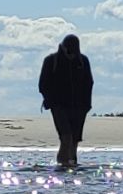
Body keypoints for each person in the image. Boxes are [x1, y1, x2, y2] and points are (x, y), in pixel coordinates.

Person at [38, 34, 93, 169]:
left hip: (79, 107)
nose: (71, 55)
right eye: (69, 52)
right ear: (63, 48)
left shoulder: (83, 61)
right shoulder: (51, 61)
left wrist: (87, 105)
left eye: (74, 52)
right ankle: (62, 165)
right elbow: (43, 84)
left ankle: (72, 164)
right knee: (66, 136)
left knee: (74, 140)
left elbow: (89, 83)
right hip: (58, 106)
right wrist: (50, 102)